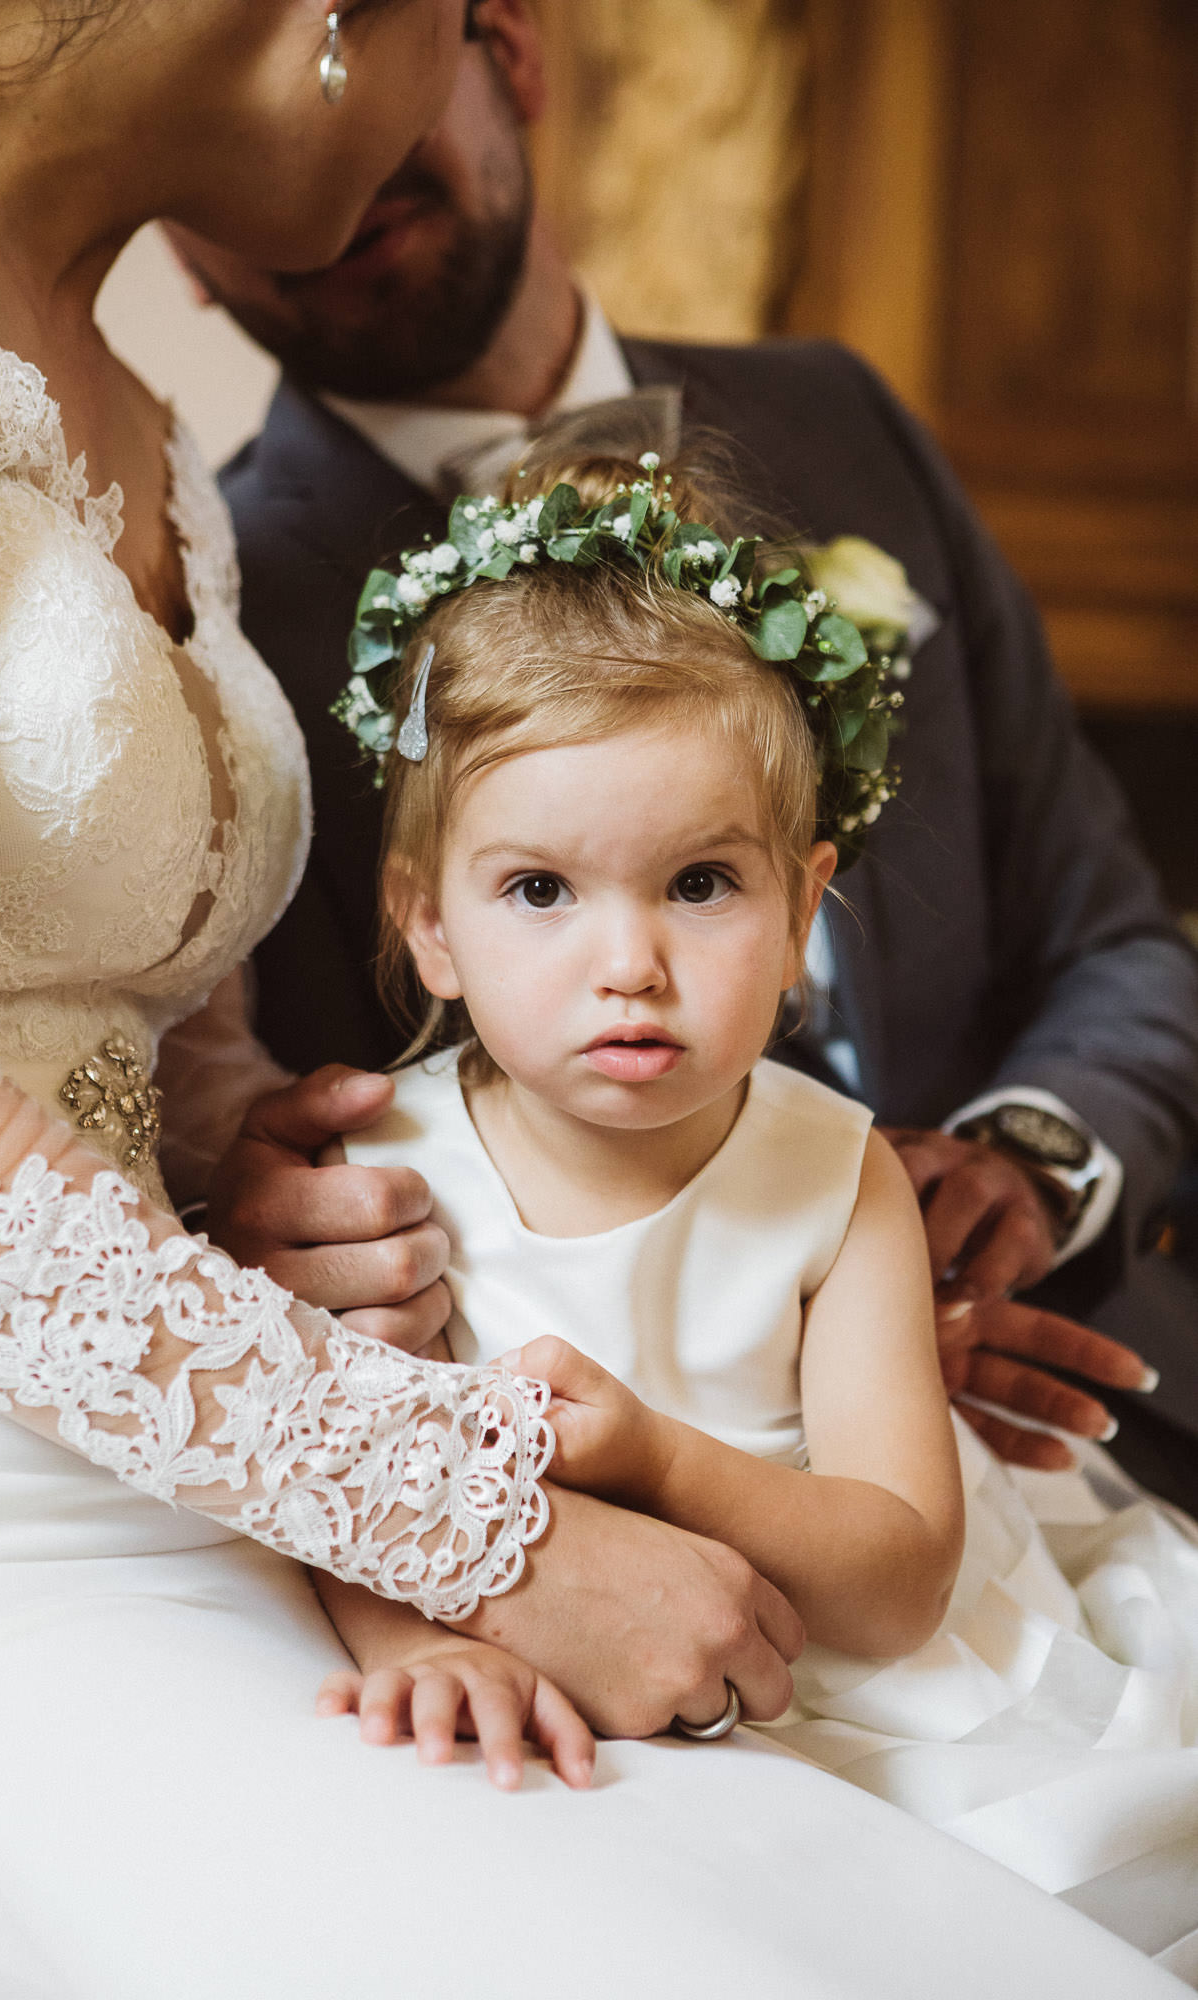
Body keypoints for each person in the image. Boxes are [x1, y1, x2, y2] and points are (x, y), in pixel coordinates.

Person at [0, 5, 1170, 1998]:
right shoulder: (194, 483)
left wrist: (240, 1153)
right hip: (59, 1450)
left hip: (419, 1439)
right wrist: (449, 1520)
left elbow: (160, 991)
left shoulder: (127, 426)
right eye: (543, 889)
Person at [173, 0, 1198, 1512]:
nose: (306, 166)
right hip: (605, 1465)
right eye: (214, 155)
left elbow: (1115, 939)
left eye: (346, 71)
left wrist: (1024, 1172)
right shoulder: (210, 609)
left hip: (1075, 1393)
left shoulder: (843, 418)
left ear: (508, 55)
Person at [313, 451, 1198, 1963]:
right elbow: (325, 1487)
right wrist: (415, 1637)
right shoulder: (376, 1183)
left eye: (702, 885)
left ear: (802, 908)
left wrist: (662, 1458)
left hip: (862, 1692)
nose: (628, 962)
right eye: (539, 891)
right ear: (428, 924)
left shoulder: (832, 1174)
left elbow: (898, 1580)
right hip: (560, 1676)